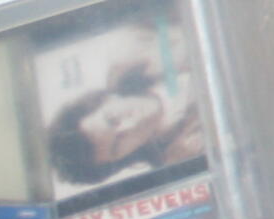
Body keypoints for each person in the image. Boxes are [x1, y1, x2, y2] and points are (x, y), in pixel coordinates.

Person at [44, 55, 205, 190]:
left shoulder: (140, 54)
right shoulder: (183, 161)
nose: (131, 126)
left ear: (106, 98)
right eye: (117, 146)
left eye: (112, 120)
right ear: (124, 159)